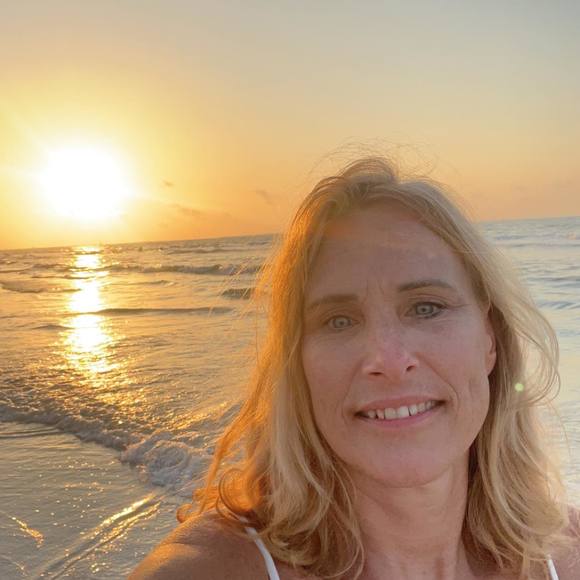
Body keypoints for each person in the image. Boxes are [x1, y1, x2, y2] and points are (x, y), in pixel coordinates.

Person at [130, 157, 579, 579]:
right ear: (297, 365)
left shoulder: (566, 552)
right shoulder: (210, 570)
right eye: (339, 320)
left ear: (490, 339)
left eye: (426, 307)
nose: (389, 360)